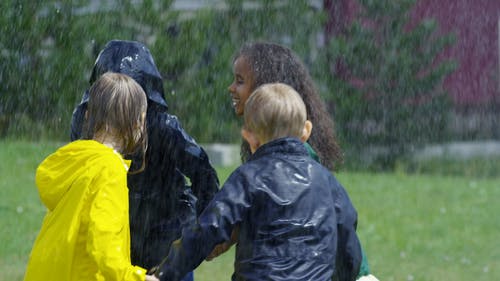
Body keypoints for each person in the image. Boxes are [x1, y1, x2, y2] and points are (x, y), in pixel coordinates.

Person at [154, 83, 362, 281]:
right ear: (306, 130)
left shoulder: (248, 177)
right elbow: (346, 234)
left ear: (249, 137)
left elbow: (209, 227)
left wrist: (165, 273)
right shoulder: (326, 180)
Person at [223, 41, 375, 280]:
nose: (231, 88)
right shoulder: (272, 146)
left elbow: (342, 227)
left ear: (266, 91)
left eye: (240, 81)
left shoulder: (295, 157)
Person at [70, 40, 220, 281]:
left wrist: (200, 233)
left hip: (165, 244)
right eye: (112, 103)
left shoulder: (162, 127)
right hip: (113, 240)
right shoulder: (85, 121)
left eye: (129, 105)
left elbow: (204, 174)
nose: (119, 114)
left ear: (144, 107)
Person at [24, 72, 158, 281]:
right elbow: (103, 241)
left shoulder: (78, 159)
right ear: (137, 125)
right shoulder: (109, 168)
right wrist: (133, 277)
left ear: (88, 116)